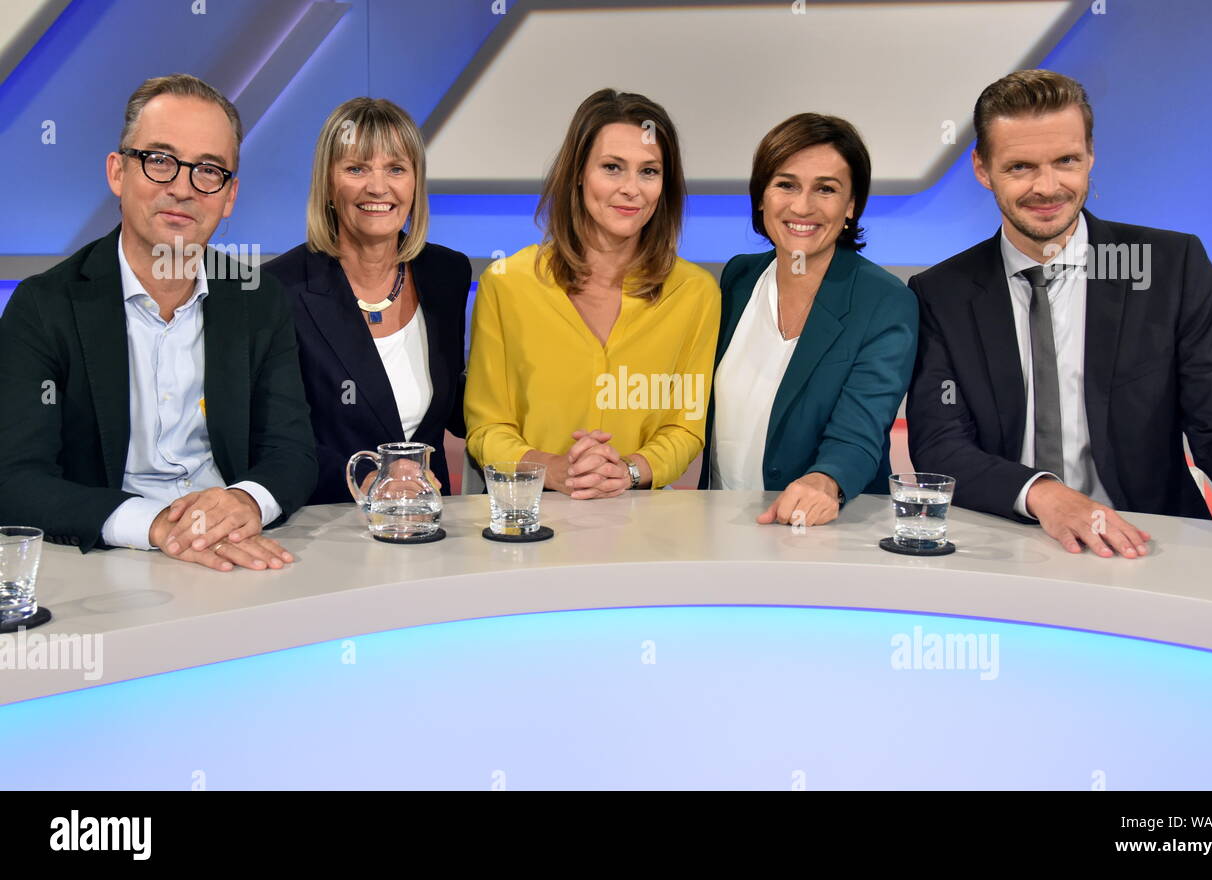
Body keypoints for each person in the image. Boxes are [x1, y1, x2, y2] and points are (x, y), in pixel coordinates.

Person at [906, 69, 1212, 562]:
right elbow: (941, 447)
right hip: (1003, 544)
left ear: (1091, 155)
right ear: (982, 169)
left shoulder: (1169, 268)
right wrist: (1044, 495)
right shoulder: (940, 293)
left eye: (1066, 160)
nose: (1047, 187)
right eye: (1020, 167)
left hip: (1151, 545)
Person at [0, 74, 316, 572]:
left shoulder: (260, 298)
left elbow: (292, 451)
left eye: (208, 170)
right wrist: (157, 524)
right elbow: (15, 480)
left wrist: (245, 502)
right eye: (160, 161)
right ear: (117, 172)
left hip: (241, 550)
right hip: (106, 560)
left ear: (229, 195)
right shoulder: (44, 305)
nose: (183, 189)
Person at [464, 88, 720, 497]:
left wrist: (627, 472)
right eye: (613, 167)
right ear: (579, 172)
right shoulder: (506, 283)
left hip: (641, 527)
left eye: (649, 171)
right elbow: (487, 428)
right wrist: (552, 468)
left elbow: (684, 429)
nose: (631, 189)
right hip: (530, 520)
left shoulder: (695, 293)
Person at [699, 114, 917, 527]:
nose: (802, 206)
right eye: (786, 184)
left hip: (825, 534)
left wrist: (826, 480)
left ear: (852, 205)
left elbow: (862, 428)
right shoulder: (738, 277)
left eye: (826, 189)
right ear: (761, 196)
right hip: (721, 528)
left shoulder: (885, 301)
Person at [265, 98, 470, 501]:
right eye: (356, 168)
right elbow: (274, 439)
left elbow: (461, 411)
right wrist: (367, 479)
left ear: (415, 182)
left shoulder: (447, 273)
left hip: (431, 526)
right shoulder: (278, 290)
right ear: (327, 181)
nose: (378, 187)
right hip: (326, 526)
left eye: (396, 168)